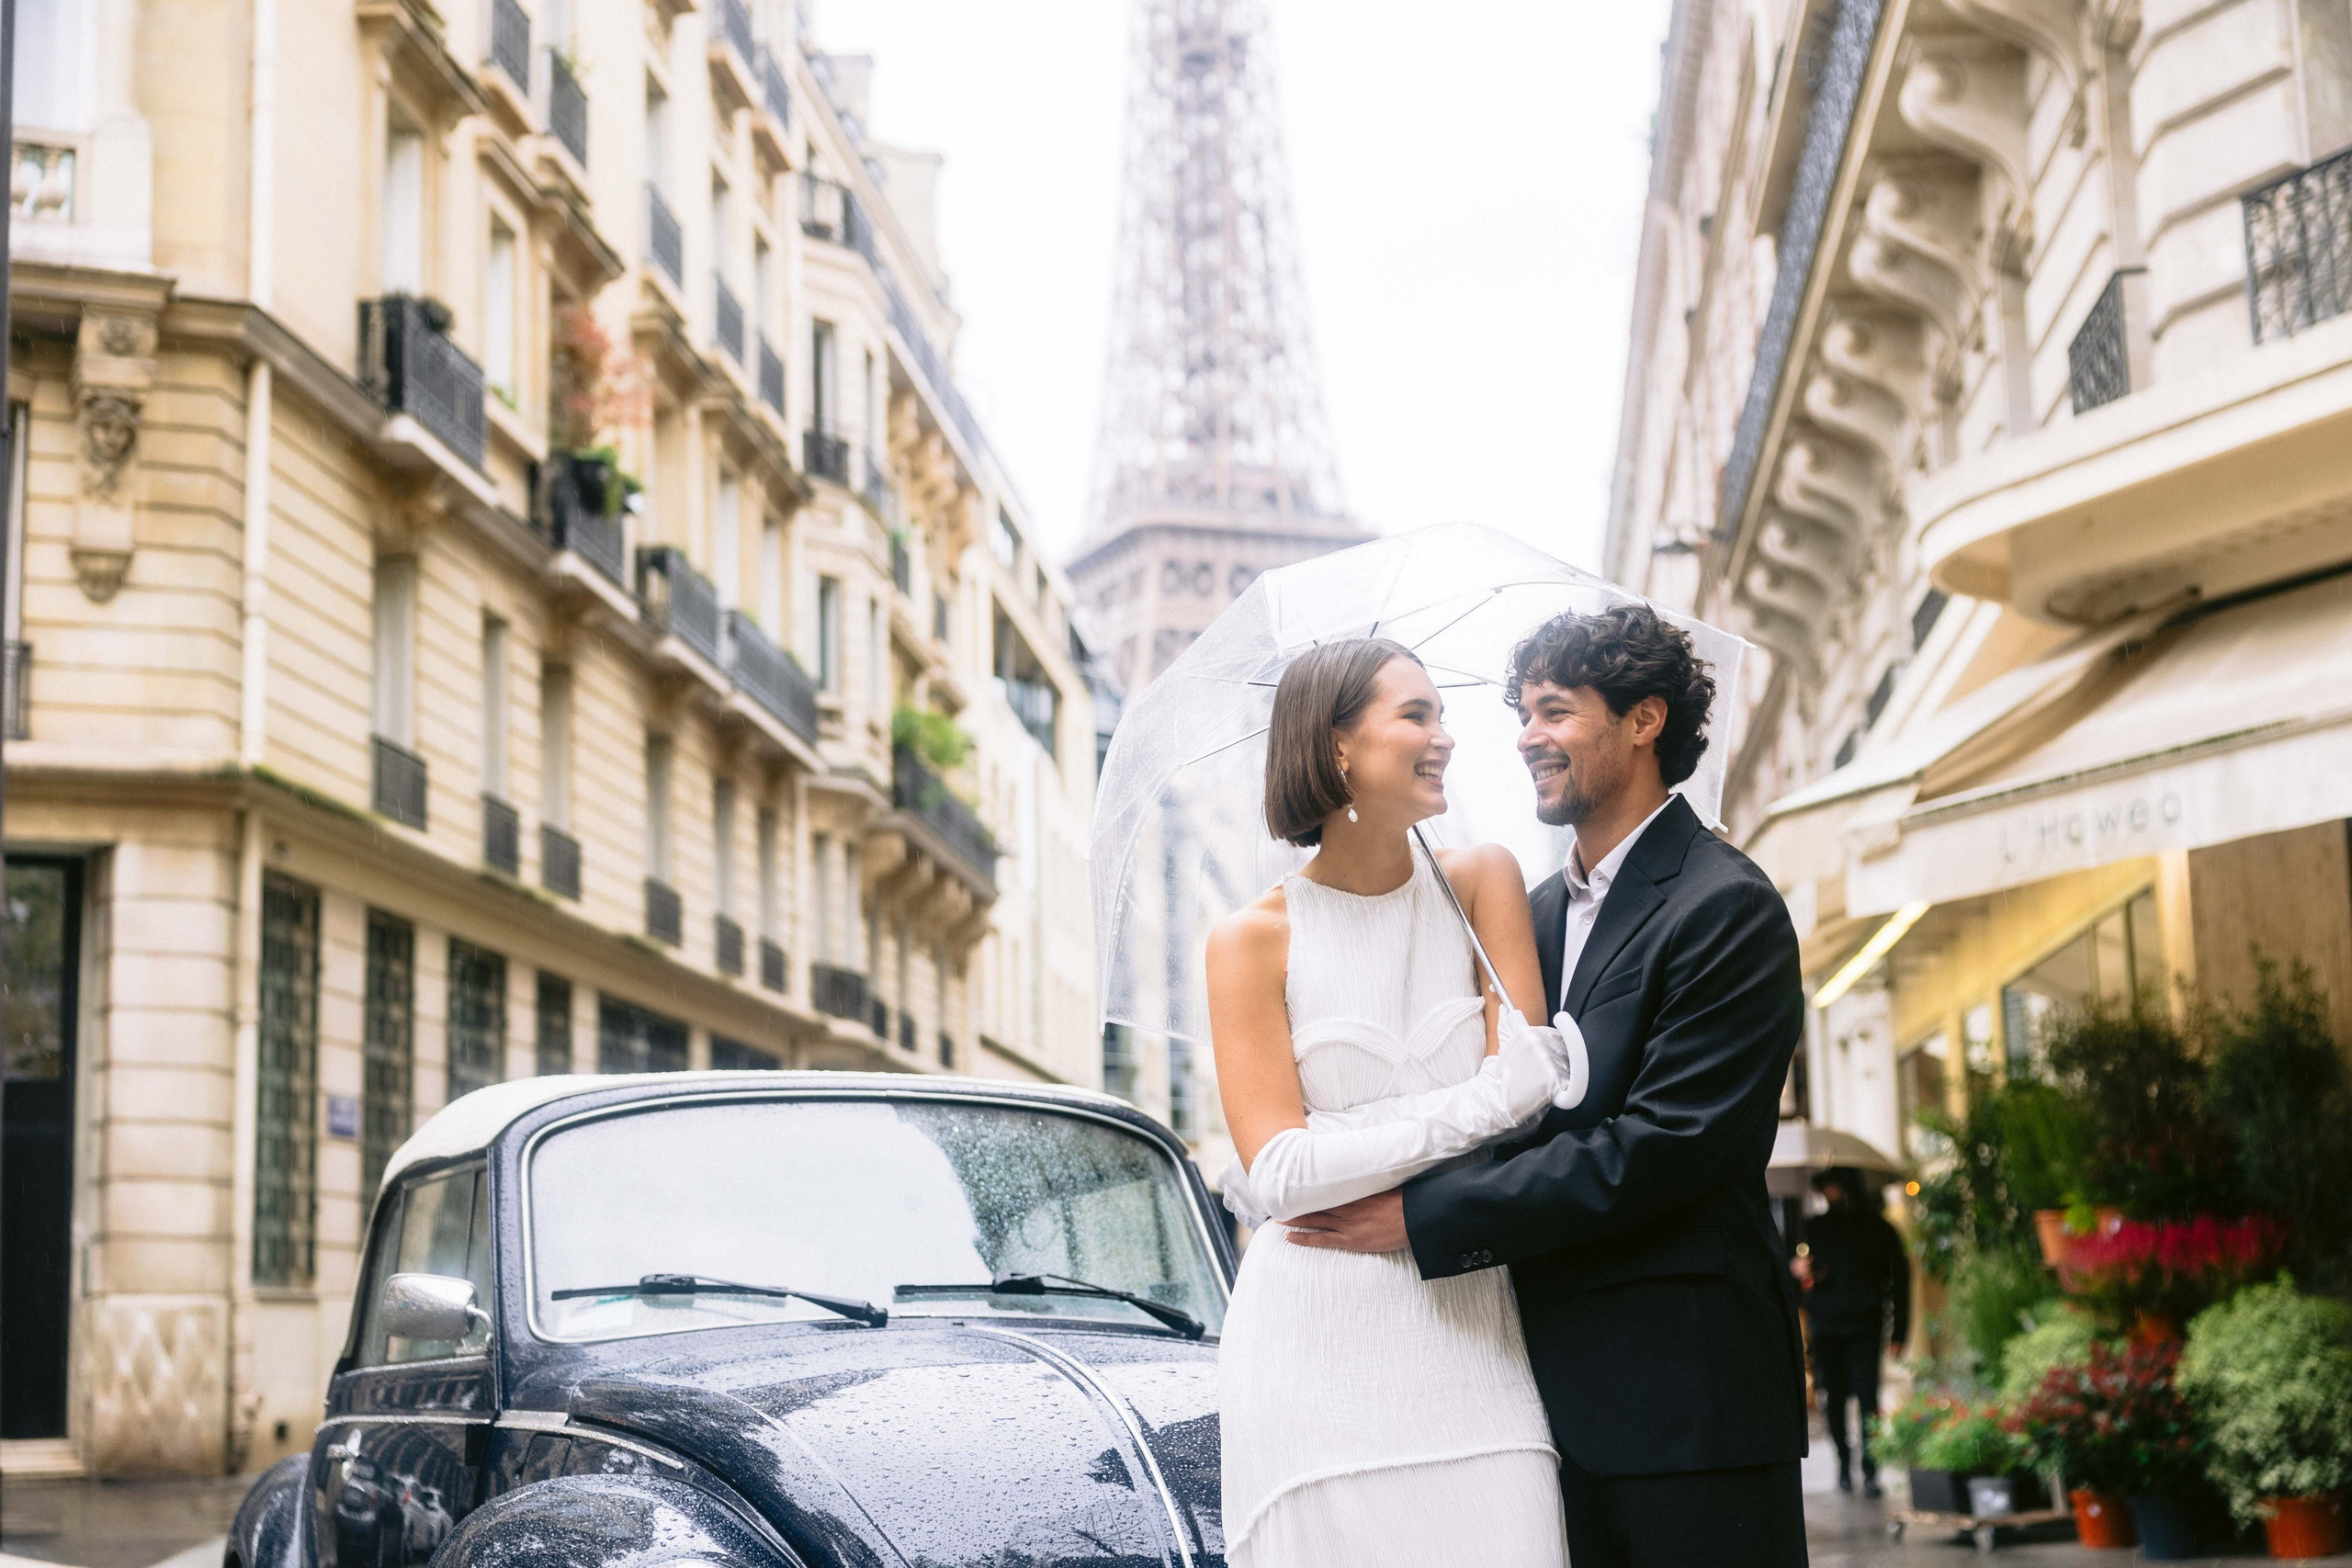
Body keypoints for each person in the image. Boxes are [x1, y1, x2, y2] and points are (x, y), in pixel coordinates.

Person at [1287, 605, 1812, 1568]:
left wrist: (1423, 1217)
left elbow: (1662, 1149)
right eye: (1522, 712)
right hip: (1529, 1405)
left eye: (1555, 712)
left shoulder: (1725, 905)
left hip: (1689, 1412)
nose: (1526, 737)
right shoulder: (1520, 917)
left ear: (1644, 721)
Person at [1209, 637, 1583, 1568]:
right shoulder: (1248, 939)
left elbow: (1535, 1106)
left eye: (1442, 715)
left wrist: (1366, 1146)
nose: (1446, 737)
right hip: (1310, 1344)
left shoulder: (1479, 881)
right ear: (1336, 746)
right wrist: (1483, 1098)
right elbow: (1281, 1174)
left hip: (1469, 1334)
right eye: (1416, 714)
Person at [1798, 1167, 1910, 1497]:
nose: (1831, 1194)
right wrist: (1802, 1273)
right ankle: (1844, 1464)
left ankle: (1870, 1468)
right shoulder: (1815, 1228)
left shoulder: (1878, 1228)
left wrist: (1900, 1330)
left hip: (1865, 1324)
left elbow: (1900, 1282)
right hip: (1827, 1325)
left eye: (1836, 1187)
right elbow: (1800, 1274)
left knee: (1867, 1399)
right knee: (1832, 1399)